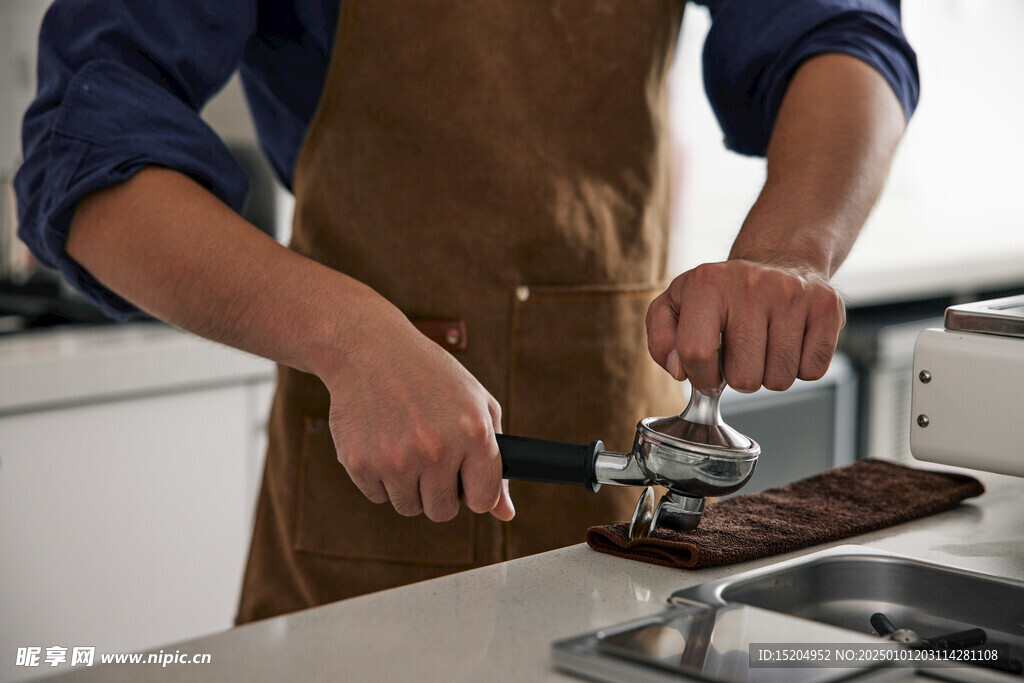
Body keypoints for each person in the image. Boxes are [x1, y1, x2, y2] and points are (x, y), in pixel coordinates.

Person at [16, 0, 918, 623]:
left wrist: (788, 251)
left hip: (617, 503)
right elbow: (81, 147)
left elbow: (838, 30)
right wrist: (348, 334)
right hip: (357, 534)